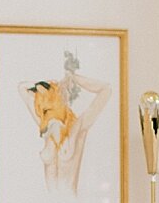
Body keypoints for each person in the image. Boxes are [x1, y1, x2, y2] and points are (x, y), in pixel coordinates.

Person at [17, 51, 112, 194]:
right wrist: (48, 85)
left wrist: (73, 78)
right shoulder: (45, 124)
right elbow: (22, 88)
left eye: (65, 92)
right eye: (58, 92)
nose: (62, 94)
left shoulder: (79, 126)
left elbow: (106, 89)